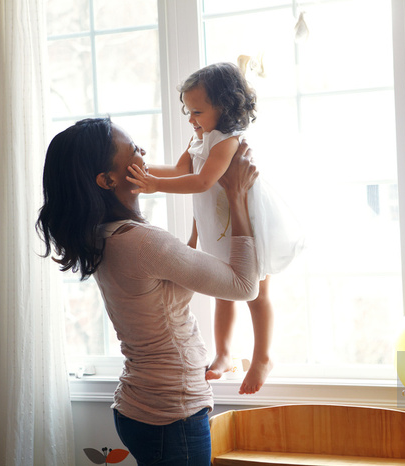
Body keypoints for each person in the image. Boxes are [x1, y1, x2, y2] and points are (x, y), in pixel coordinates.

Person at [36, 117, 260, 465]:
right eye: (132, 149)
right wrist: (237, 194)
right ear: (107, 180)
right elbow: (244, 286)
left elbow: (167, 283)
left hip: (140, 407)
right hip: (171, 415)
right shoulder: (142, 243)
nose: (143, 152)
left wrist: (202, 220)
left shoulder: (106, 236)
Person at [126, 62, 304, 394]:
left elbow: (202, 180)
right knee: (224, 290)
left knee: (257, 293)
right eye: (187, 111)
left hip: (245, 226)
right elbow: (181, 168)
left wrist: (154, 186)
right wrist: (141, 169)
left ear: (223, 108)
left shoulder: (227, 141)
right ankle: (224, 353)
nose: (191, 119)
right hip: (216, 225)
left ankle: (263, 356)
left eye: (197, 111)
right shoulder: (201, 137)